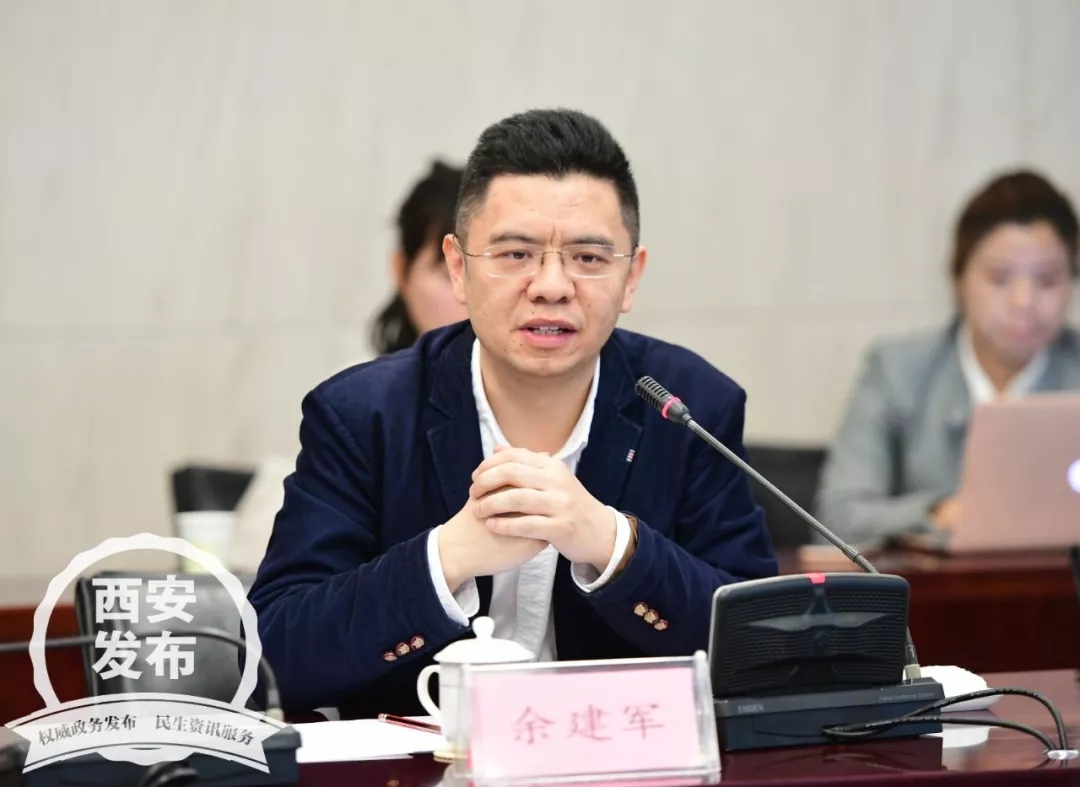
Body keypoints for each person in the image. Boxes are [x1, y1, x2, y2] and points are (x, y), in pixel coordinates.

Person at [245, 108, 778, 718]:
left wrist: (612, 545)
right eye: (517, 254)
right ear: (459, 268)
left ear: (631, 276)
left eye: (588, 258)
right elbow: (272, 657)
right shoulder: (364, 415)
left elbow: (760, 646)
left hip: (626, 756)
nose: (551, 286)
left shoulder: (689, 408)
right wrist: (446, 558)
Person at [816, 169, 1080, 549]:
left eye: (1047, 280)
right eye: (1000, 278)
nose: (1024, 302)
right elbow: (835, 521)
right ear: (958, 279)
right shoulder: (896, 371)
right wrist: (939, 513)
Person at [228, 161, 468, 573]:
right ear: (401, 271)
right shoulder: (354, 402)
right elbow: (266, 565)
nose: (468, 294)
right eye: (448, 273)